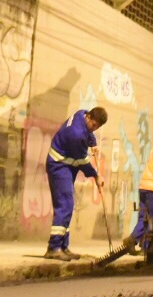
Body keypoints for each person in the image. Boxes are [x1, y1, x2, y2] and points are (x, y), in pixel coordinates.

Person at [44, 105, 107, 260]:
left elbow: (88, 133)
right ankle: (54, 247)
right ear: (89, 117)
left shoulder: (81, 114)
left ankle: (63, 246)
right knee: (65, 204)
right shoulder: (76, 135)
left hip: (67, 165)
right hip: (59, 165)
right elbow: (82, 162)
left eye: (97, 127)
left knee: (67, 205)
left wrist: (93, 143)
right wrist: (96, 176)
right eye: (93, 125)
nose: (94, 128)